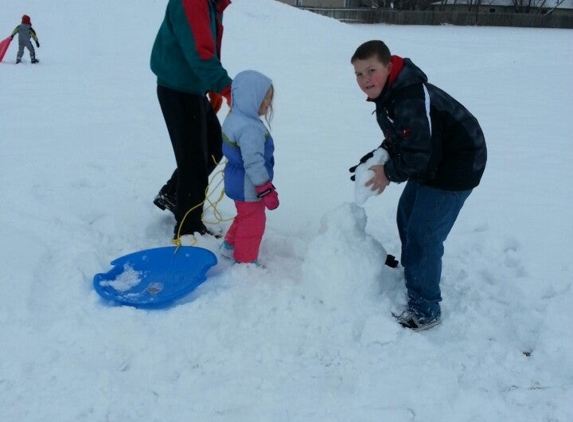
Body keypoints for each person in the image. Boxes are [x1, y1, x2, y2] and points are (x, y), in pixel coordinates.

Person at [349, 40, 487, 331]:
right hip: (435, 159)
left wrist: (388, 173)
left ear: (389, 67)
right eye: (359, 74)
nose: (364, 80)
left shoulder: (408, 96)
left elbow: (419, 153)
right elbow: (403, 136)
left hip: (457, 164)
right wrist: (380, 155)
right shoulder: (389, 94)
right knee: (407, 216)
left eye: (371, 70)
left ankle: (425, 310)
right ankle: (415, 273)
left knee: (423, 235)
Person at [150, 0, 232, 238]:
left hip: (191, 87)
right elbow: (200, 53)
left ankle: (174, 194)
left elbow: (204, 45)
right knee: (194, 162)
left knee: (215, 147)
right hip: (177, 89)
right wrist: (227, 89)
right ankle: (188, 230)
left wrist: (212, 87)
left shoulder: (212, 3)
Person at [219, 70, 278, 265]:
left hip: (236, 180)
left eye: (269, 99)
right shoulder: (250, 129)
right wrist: (265, 188)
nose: (268, 103)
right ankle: (245, 261)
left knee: (245, 215)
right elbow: (253, 163)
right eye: (264, 99)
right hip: (248, 185)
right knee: (254, 223)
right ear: (250, 98)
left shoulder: (235, 116)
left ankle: (230, 245)